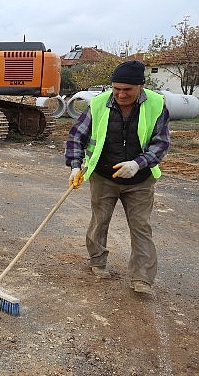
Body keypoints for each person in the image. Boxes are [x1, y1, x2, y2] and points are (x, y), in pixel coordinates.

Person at [65, 60, 170, 295]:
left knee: (141, 226)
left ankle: (142, 278)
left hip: (140, 179)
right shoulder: (99, 104)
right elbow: (76, 137)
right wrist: (74, 166)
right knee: (100, 220)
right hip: (104, 176)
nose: (121, 94)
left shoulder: (156, 105)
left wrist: (137, 164)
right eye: (116, 88)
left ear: (141, 87)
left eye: (127, 90)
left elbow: (161, 143)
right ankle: (97, 261)